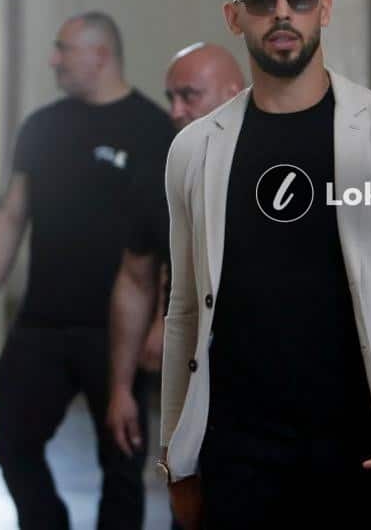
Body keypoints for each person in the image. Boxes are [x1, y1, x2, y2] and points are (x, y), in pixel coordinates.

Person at [158, 0, 371, 529]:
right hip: (236, 450)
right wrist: (176, 457)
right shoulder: (194, 150)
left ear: (323, 8)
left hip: (360, 446)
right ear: (234, 17)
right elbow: (183, 312)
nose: (282, 12)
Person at [0, 11, 175, 529]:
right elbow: (10, 215)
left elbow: (168, 237)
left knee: (122, 462)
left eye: (63, 49)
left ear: (100, 55)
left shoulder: (152, 129)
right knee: (13, 444)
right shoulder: (41, 127)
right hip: (42, 322)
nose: (53, 59)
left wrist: (159, 322)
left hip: (116, 333)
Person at [105, 43, 244, 530]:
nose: (176, 110)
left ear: (233, 94)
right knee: (189, 510)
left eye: (189, 95)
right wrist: (122, 388)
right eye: (171, 97)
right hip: (192, 387)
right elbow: (135, 278)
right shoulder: (160, 175)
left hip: (273, 392)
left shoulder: (276, 167)